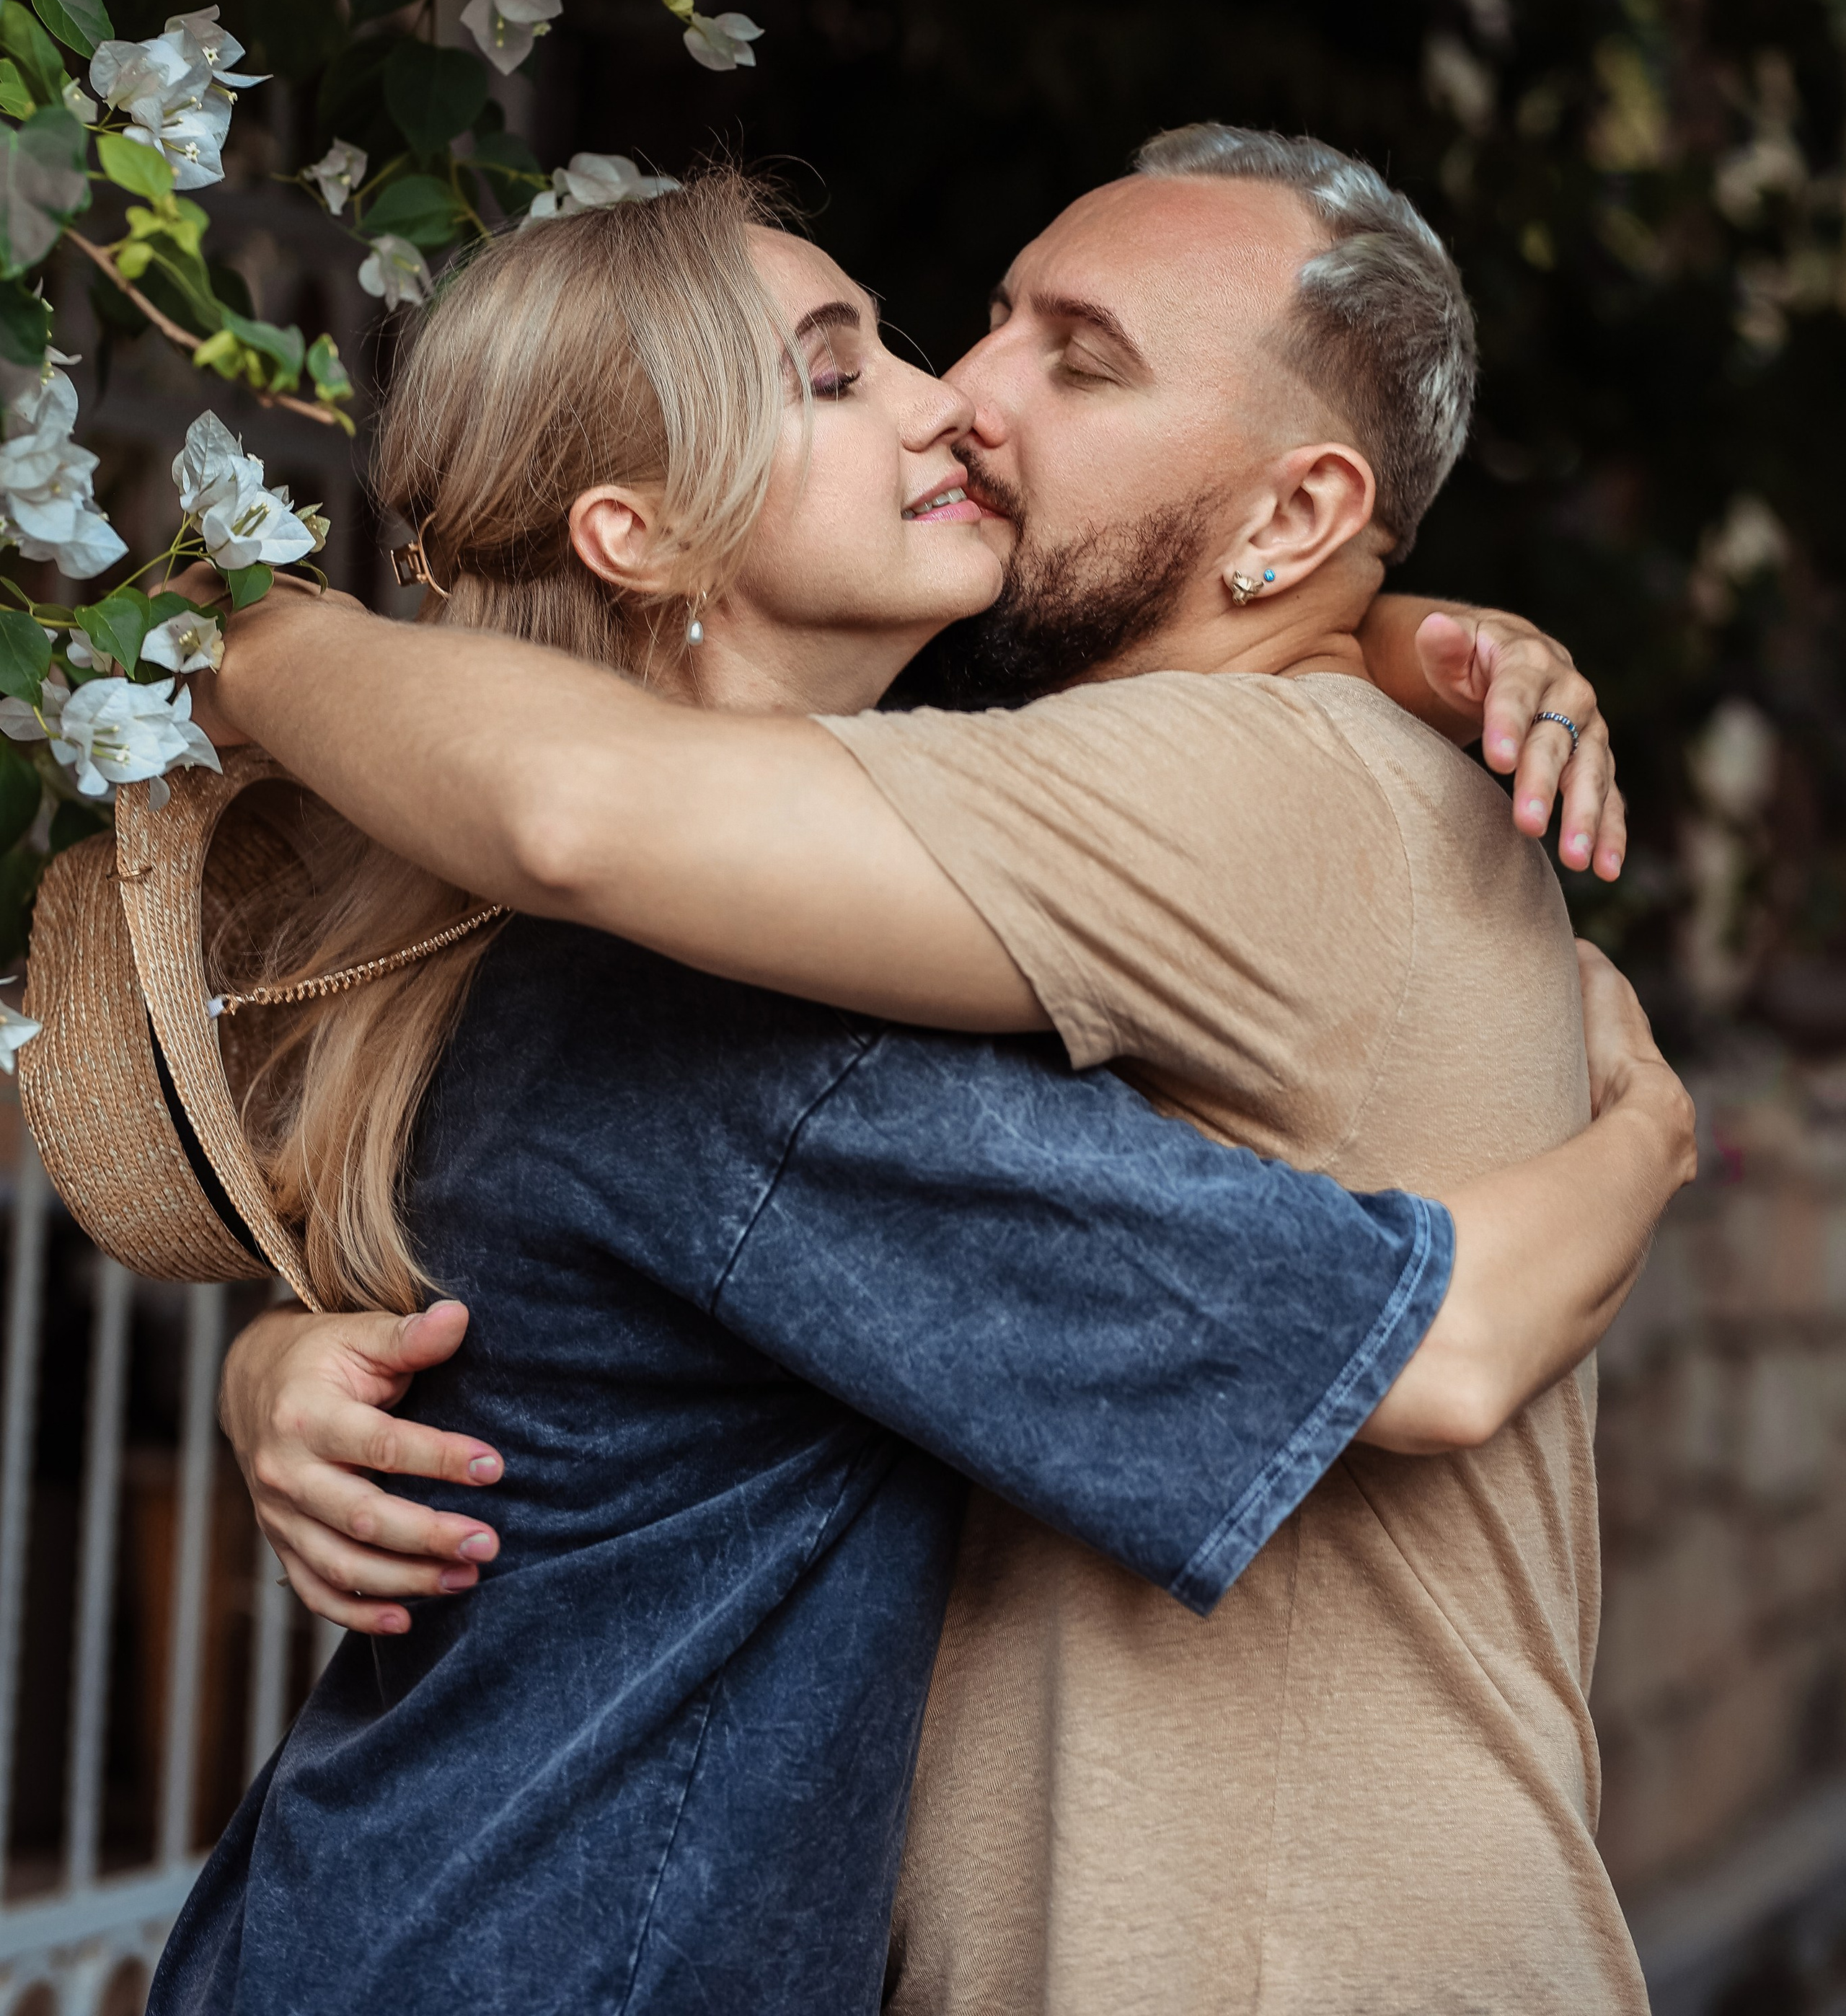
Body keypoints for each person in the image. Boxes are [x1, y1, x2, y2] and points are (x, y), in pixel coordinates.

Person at [195, 133, 1684, 2013]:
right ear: (638, 536)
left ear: (1298, 517)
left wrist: (234, 635)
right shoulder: (752, 990)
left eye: (1080, 359)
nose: (963, 401)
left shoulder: (1204, 800)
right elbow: (1426, 1344)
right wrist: (1648, 1124)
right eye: (912, 349)